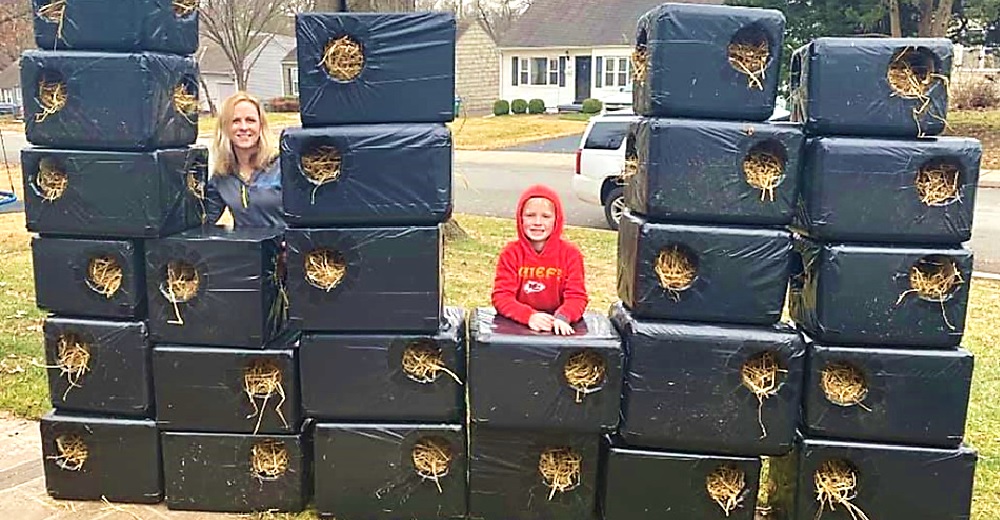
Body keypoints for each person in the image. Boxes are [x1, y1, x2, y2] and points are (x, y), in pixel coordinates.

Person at [491, 184, 589, 335]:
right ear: (520, 218)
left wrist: (563, 317)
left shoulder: (571, 254)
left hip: (557, 324)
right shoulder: (510, 253)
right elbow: (502, 296)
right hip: (519, 326)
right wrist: (528, 316)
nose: (537, 222)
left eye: (546, 216)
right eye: (530, 215)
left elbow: (577, 296)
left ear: (556, 219)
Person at [204, 91, 285, 229]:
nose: (243, 127)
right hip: (248, 250)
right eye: (235, 121)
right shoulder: (222, 176)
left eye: (250, 120)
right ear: (225, 127)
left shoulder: (282, 166)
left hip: (286, 249)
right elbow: (204, 222)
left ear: (261, 126)